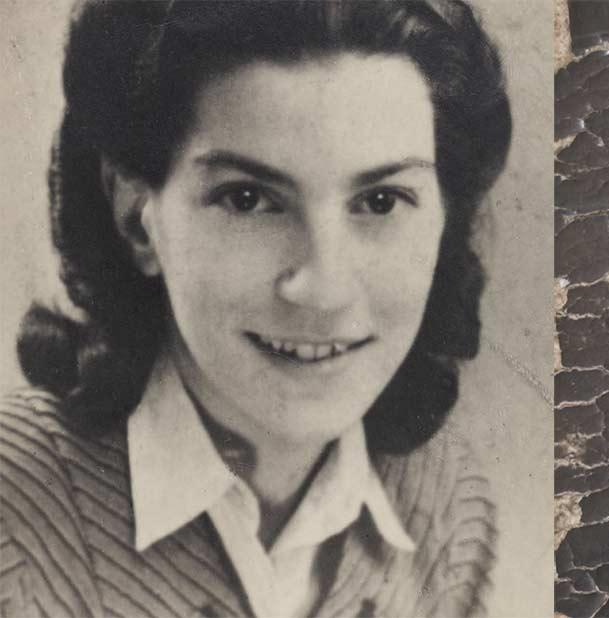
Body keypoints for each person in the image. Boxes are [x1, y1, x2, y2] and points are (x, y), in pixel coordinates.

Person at [0, 1, 511, 616]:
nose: (323, 289)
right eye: (247, 199)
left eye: (380, 201)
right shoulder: (14, 510)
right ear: (136, 217)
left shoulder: (447, 502)